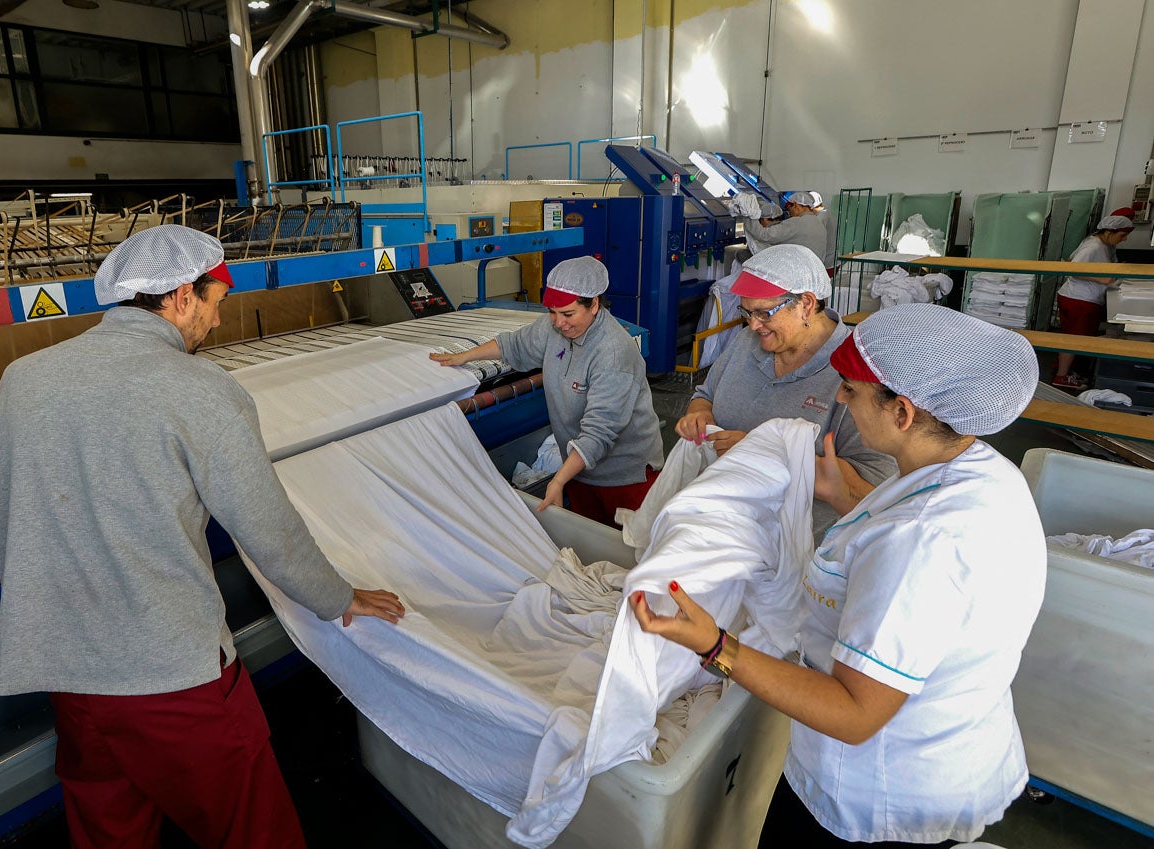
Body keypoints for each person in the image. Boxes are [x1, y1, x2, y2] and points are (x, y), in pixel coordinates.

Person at [0, 224, 406, 849]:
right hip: (170, 676)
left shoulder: (23, 378)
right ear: (182, 297)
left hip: (67, 669)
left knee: (110, 830)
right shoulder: (202, 390)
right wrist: (337, 597)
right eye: (214, 305)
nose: (214, 324)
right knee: (252, 829)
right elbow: (270, 533)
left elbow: (18, 514)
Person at [634, 303, 1046, 847]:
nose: (840, 399)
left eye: (849, 390)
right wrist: (842, 492)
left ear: (902, 412)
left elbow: (856, 714)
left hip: (879, 799)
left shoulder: (921, 542)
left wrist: (714, 646)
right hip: (947, 747)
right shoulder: (980, 470)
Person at [674, 244, 895, 538]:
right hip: (721, 528)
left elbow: (873, 490)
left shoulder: (856, 375)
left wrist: (763, 453)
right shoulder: (745, 343)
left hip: (796, 550)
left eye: (764, 313)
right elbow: (705, 393)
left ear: (805, 304)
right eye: (746, 312)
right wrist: (698, 411)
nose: (752, 325)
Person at [430, 256, 662, 526]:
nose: (558, 322)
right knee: (590, 548)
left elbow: (599, 432)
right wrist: (463, 357)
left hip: (624, 476)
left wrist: (558, 479)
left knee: (632, 551)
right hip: (580, 470)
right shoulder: (554, 327)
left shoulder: (612, 353)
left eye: (568, 314)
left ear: (594, 305)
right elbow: (514, 345)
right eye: (552, 311)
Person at [1053, 213, 1135, 388]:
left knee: (1074, 337)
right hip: (1080, 299)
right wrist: (1101, 279)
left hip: (1077, 297)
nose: (1125, 239)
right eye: (1122, 235)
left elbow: (1070, 260)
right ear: (1109, 231)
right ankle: (1061, 377)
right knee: (1074, 339)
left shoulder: (1103, 244)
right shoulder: (1093, 246)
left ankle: (1065, 371)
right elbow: (1072, 268)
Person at [740, 190, 838, 271]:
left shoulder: (796, 223)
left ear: (796, 206)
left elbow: (763, 235)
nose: (789, 213)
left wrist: (748, 216)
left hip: (798, 273)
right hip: (815, 271)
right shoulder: (818, 223)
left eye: (789, 208)